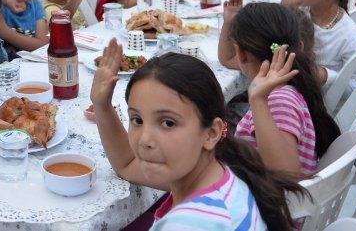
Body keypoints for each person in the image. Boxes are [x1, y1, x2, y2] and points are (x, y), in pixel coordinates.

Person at [91, 49, 302, 231]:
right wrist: (102, 105)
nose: (145, 139)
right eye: (137, 119)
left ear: (211, 133)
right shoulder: (220, 170)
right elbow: (127, 164)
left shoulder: (189, 225)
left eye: (168, 123)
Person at [219, 2, 340, 177]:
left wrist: (258, 101)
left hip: (262, 201)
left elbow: (288, 175)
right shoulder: (291, 88)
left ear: (241, 53)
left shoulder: (278, 100)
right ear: (300, 45)